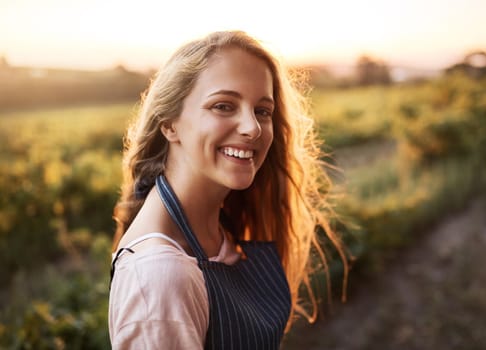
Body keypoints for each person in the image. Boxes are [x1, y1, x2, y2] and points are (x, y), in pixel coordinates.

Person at [108, 30, 349, 349]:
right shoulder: (160, 274)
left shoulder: (219, 226)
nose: (252, 128)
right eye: (223, 106)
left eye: (262, 110)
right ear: (169, 123)